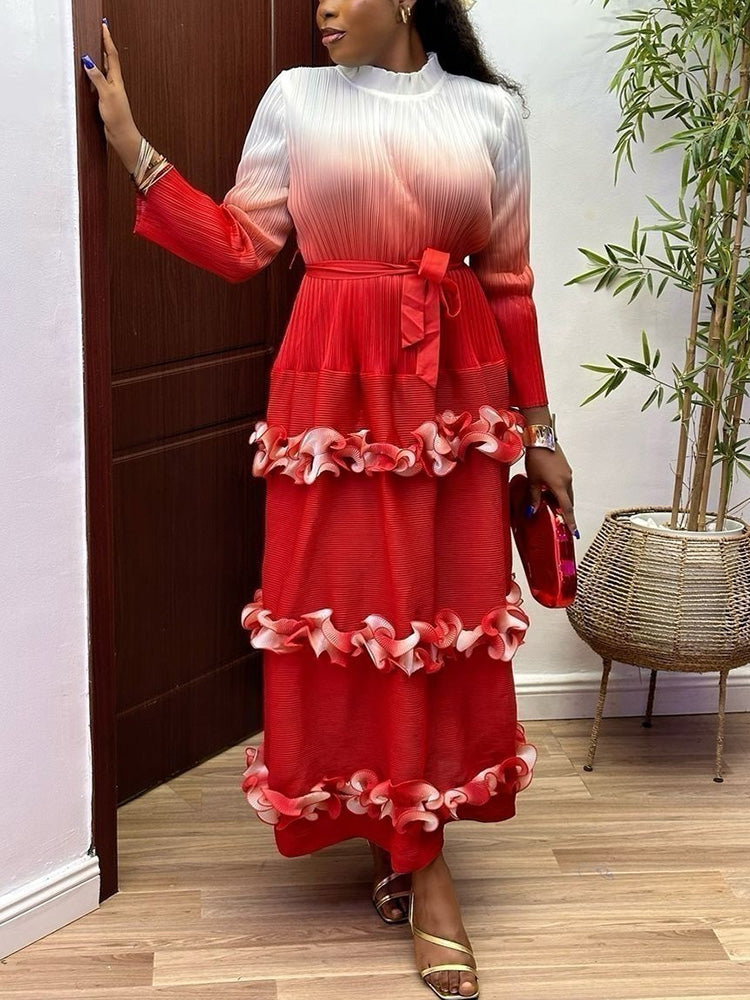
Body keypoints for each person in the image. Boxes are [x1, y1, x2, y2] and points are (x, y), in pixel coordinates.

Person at [82, 2, 576, 997]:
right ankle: (404, 843)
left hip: (453, 387)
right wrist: (132, 144)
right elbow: (240, 243)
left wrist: (541, 432)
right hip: (332, 392)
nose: (325, 6)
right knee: (350, 613)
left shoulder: (489, 113)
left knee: (434, 619)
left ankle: (420, 853)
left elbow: (510, 285)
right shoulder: (297, 99)